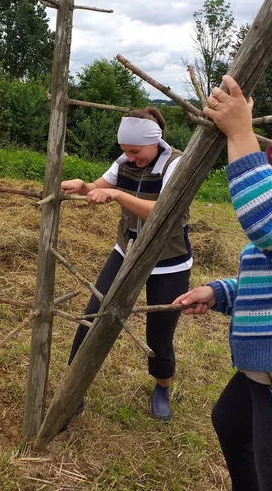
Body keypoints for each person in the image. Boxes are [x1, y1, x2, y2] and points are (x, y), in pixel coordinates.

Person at [173, 76, 272, 491]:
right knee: (231, 422)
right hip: (266, 368)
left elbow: (270, 225)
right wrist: (221, 292)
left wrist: (241, 132)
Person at [61, 107, 192, 423]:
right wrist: (83, 187)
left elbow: (160, 212)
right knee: (93, 314)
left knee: (158, 335)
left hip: (168, 261)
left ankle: (161, 386)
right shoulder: (124, 161)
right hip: (126, 251)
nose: (130, 158)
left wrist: (117, 194)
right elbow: (98, 188)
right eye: (125, 152)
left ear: (154, 142)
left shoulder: (178, 164)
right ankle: (71, 392)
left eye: (135, 151)